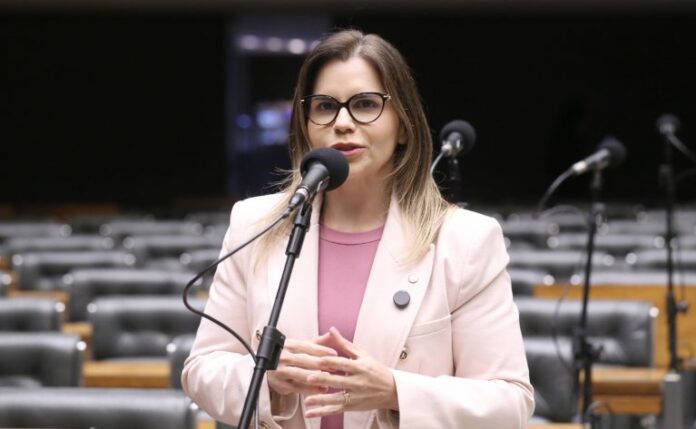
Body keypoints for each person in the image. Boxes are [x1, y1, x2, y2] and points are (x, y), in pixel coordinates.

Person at [182, 29, 534, 429]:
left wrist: (396, 391)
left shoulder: (466, 240)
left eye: (366, 104)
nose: (343, 122)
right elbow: (202, 369)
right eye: (325, 106)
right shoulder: (256, 225)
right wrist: (265, 378)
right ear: (306, 124)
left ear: (404, 125)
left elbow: (509, 403)